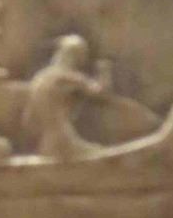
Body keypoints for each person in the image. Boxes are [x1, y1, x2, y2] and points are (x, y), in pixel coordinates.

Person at [22, 34, 110, 162]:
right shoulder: (66, 77)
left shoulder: (40, 77)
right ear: (76, 56)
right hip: (63, 141)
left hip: (45, 144)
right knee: (102, 154)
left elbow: (29, 120)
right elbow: (100, 92)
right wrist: (104, 70)